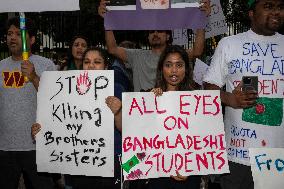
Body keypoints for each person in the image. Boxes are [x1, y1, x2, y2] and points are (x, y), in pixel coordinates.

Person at [203, 0, 284, 189]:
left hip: (277, 154)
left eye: (280, 7)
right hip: (238, 154)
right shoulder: (229, 44)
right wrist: (229, 98)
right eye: (268, 6)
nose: (276, 12)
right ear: (251, 13)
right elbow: (208, 87)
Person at [32, 47, 129, 189]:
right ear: (81, 65)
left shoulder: (117, 89)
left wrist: (118, 112)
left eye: (97, 62)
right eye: (87, 62)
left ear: (106, 67)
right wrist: (41, 132)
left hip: (111, 160)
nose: (91, 65)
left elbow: (125, 129)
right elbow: (60, 121)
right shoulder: (68, 91)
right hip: (80, 160)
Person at [98, 0, 211, 92]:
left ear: (168, 36)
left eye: (160, 31)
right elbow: (112, 49)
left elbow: (197, 51)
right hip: (142, 110)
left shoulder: (176, 56)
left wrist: (201, 20)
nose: (155, 34)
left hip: (171, 108)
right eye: (152, 31)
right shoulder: (136, 55)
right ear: (147, 37)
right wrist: (107, 20)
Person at [0, 17, 57, 189]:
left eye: (19, 34)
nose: (12, 37)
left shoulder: (46, 64)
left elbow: (54, 99)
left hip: (37, 146)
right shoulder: (1, 66)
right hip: (5, 147)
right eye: (9, 33)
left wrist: (33, 77)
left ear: (31, 40)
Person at [147, 45, 199, 189]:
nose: (174, 70)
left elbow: (203, 141)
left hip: (188, 174)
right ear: (161, 69)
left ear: (186, 69)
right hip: (158, 174)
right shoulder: (148, 97)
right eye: (168, 65)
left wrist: (191, 167)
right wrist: (150, 105)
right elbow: (142, 140)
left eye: (179, 65)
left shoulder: (199, 103)